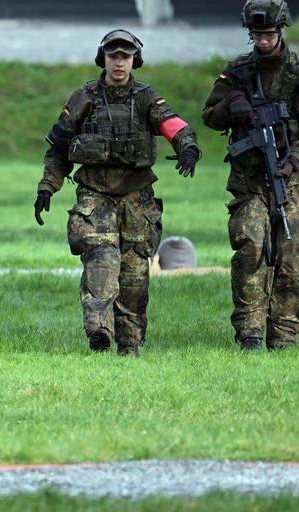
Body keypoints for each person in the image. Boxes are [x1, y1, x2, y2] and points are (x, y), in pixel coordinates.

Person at [35, 29, 200, 357]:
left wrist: (187, 147)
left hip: (137, 199)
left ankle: (130, 346)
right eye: (114, 56)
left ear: (134, 60)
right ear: (104, 59)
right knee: (102, 259)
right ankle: (99, 329)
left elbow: (174, 126)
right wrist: (47, 187)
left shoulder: (146, 98)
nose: (119, 63)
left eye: (125, 57)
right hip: (95, 195)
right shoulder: (85, 97)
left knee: (136, 275)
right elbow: (60, 146)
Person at [201, 0, 299, 351]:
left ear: (281, 29)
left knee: (293, 252)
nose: (264, 41)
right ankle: (251, 333)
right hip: (249, 182)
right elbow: (210, 115)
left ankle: (284, 334)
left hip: (291, 179)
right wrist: (233, 104)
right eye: (257, 35)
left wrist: (294, 158)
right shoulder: (238, 71)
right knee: (251, 246)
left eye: (269, 34)